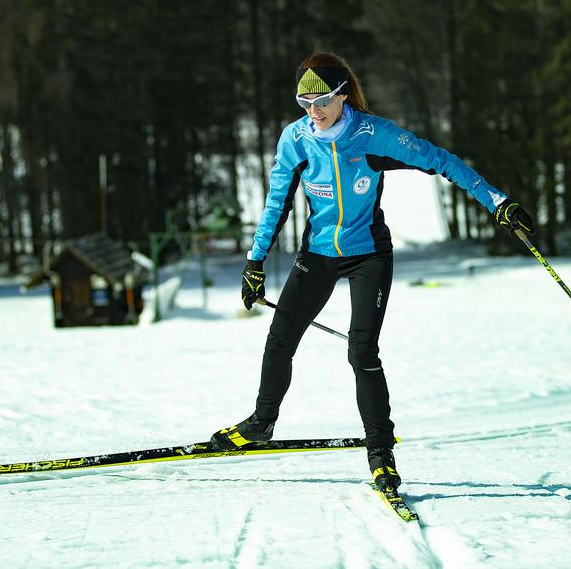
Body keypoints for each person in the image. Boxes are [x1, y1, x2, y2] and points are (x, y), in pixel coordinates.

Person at [210, 52, 534, 492]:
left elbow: (441, 160)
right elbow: (276, 204)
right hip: (319, 255)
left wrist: (498, 202)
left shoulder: (373, 134)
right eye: (305, 101)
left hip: (369, 256)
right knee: (279, 340)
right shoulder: (296, 140)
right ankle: (261, 424)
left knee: (362, 351)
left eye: (322, 99)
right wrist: (254, 261)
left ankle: (381, 454)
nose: (314, 110)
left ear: (343, 94)